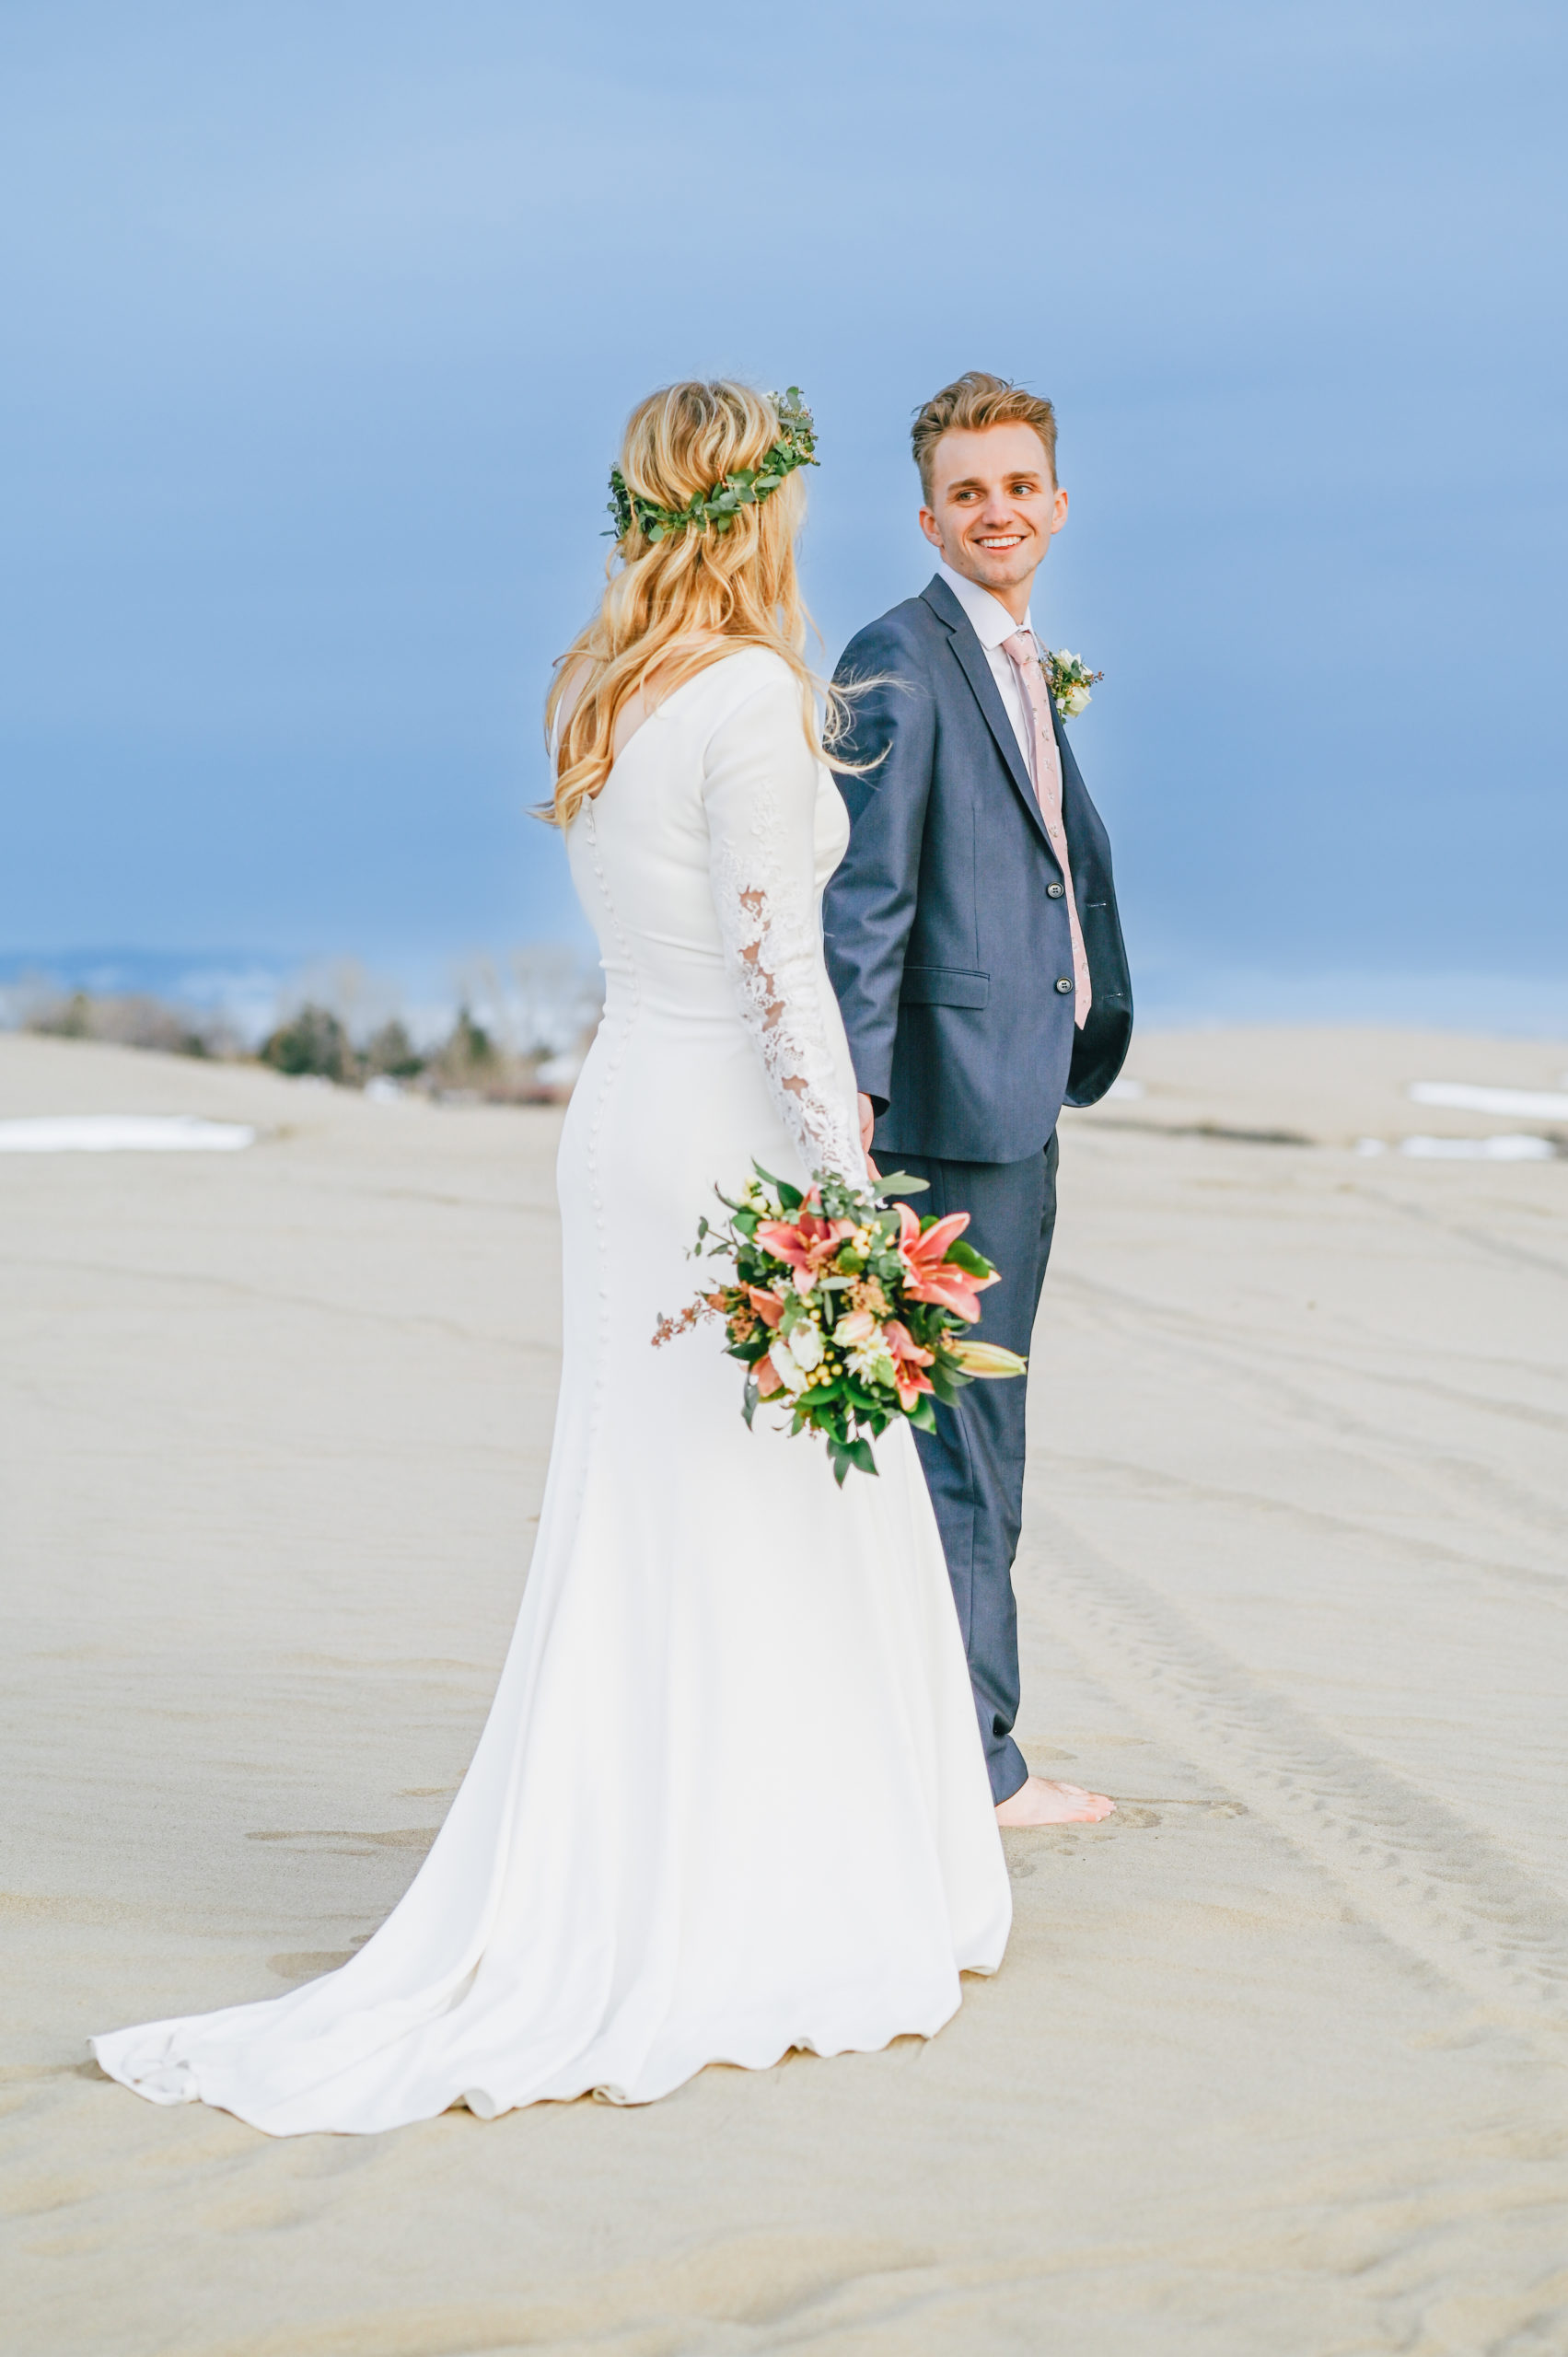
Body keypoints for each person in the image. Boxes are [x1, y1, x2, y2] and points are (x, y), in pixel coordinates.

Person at [88, 381, 1011, 2135]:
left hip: (623, 1124)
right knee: (762, 1501)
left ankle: (674, 1849)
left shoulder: (608, 690)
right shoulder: (743, 695)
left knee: (658, 1504)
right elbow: (779, 970)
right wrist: (857, 1191)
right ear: (763, 510)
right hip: (726, 1139)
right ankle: (761, 1892)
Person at [824, 371, 1132, 1829]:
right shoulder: (898, 656)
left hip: (1023, 1094)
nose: (996, 510)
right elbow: (865, 900)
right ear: (930, 515)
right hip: (945, 1118)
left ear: (1057, 505)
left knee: (974, 1429)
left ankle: (944, 1739)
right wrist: (858, 1107)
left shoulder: (1017, 657)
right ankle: (976, 1765)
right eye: (968, 491)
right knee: (965, 1435)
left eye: (1019, 486)